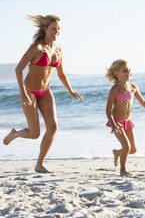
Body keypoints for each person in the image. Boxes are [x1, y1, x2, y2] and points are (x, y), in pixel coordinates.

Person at [2, 15, 84, 173]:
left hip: (45, 92)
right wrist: (23, 93)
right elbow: (18, 69)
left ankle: (40, 164)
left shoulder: (58, 50)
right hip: (29, 92)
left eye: (58, 29)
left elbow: (61, 74)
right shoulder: (37, 48)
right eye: (54, 29)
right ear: (45, 29)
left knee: (53, 127)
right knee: (34, 134)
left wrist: (71, 91)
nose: (57, 32)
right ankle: (15, 133)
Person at [105, 59, 145, 177]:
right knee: (126, 146)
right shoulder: (115, 89)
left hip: (128, 122)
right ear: (116, 73)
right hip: (117, 122)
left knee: (133, 149)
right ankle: (123, 170)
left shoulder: (133, 87)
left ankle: (117, 153)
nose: (128, 72)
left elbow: (143, 102)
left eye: (129, 70)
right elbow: (108, 109)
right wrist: (113, 124)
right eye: (124, 70)